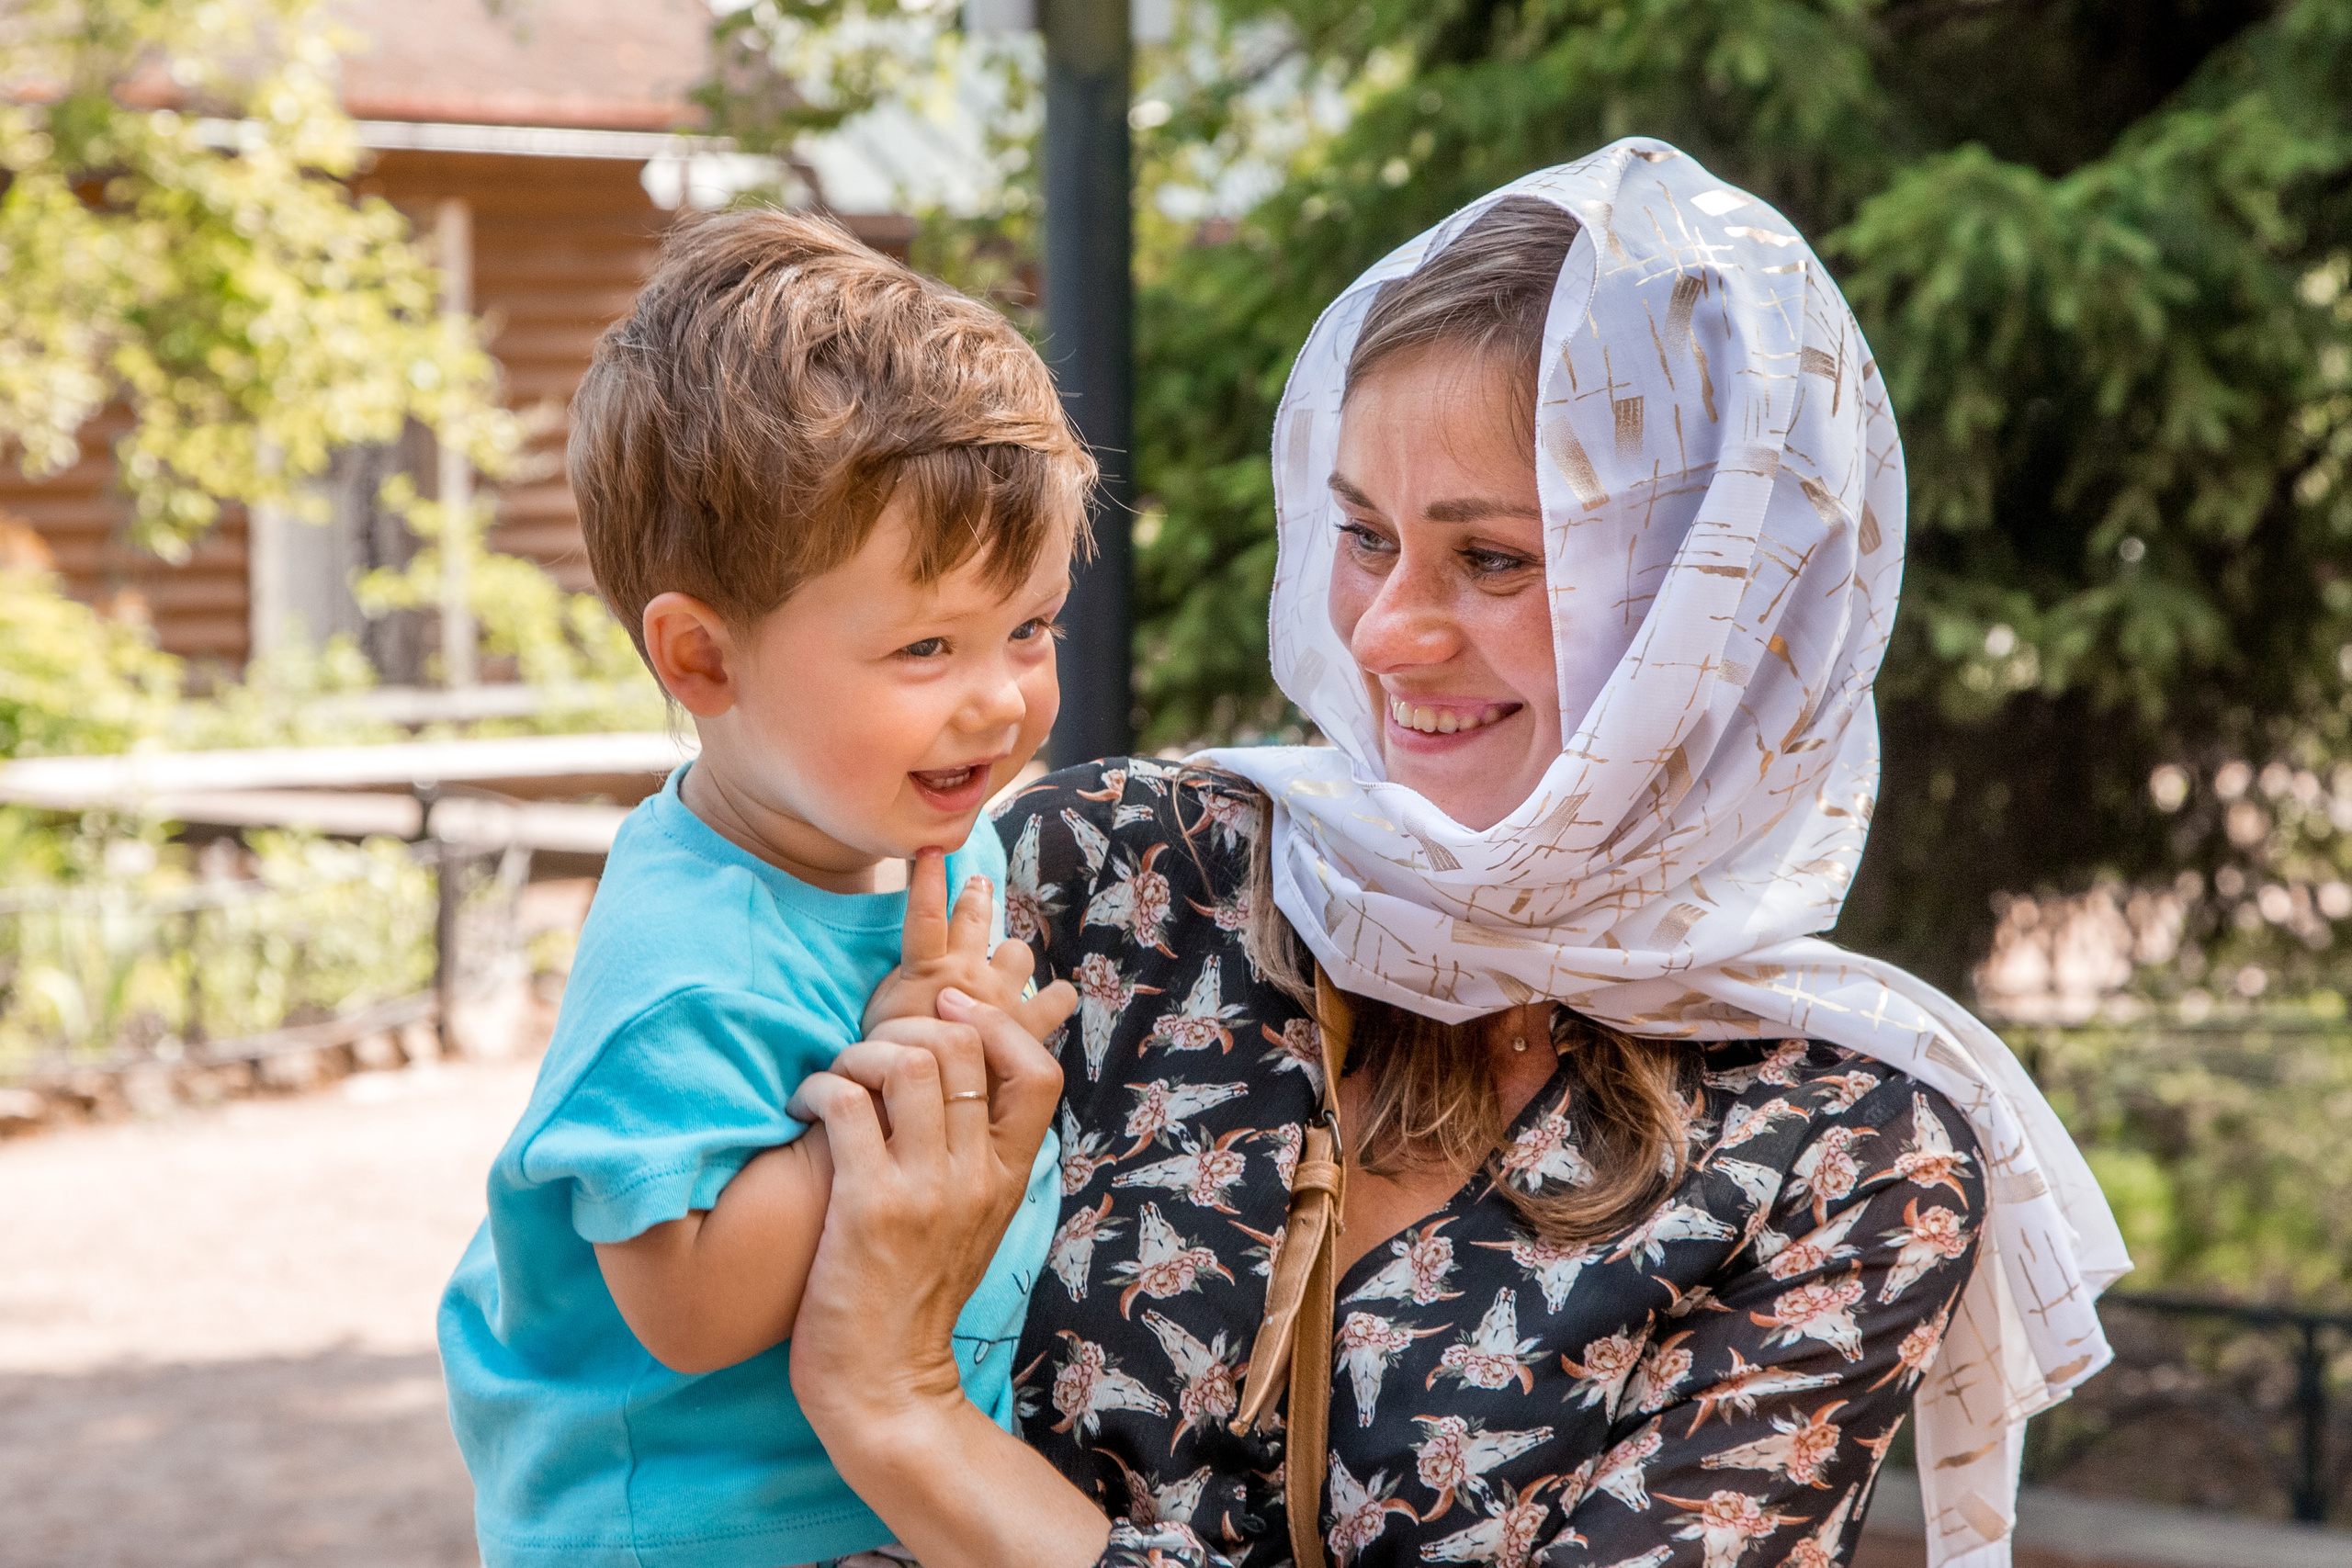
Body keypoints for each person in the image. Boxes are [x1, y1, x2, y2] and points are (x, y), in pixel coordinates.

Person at [782, 139, 2132, 1568]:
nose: (1383, 634)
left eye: (1492, 559)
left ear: (1718, 607)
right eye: (1363, 535)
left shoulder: (1842, 1149)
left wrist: (902, 1408)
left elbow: (879, 1376)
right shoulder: (1122, 876)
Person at [435, 209, 1091, 1568]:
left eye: (1028, 627)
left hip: (880, 1511)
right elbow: (691, 1301)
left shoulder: (921, 833)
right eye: (926, 645)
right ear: (703, 661)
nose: (998, 698)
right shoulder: (684, 955)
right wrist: (912, 1064)